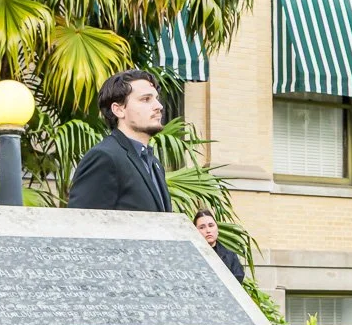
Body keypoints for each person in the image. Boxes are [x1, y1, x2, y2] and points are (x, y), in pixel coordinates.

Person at [68, 69, 173, 212]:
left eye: (156, 99)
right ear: (118, 110)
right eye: (146, 99)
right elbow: (82, 224)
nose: (159, 106)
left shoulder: (154, 163)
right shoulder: (105, 157)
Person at [194, 209, 246, 284]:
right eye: (202, 227)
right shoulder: (189, 255)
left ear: (217, 229)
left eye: (211, 225)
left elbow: (238, 277)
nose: (208, 230)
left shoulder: (230, 255)